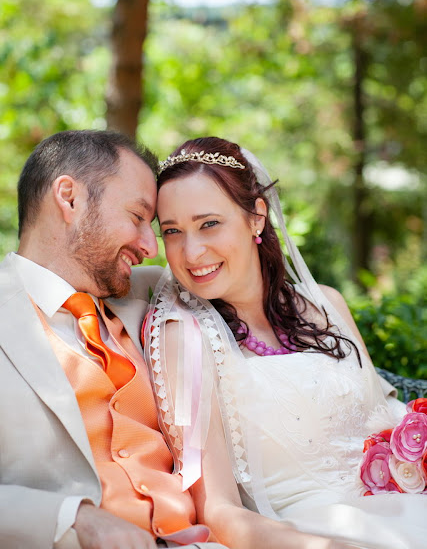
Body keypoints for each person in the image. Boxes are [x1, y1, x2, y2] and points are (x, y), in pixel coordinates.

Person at [145, 136, 427, 549]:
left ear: (256, 217)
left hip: (403, 505)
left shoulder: (327, 303)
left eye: (209, 223)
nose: (192, 251)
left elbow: (387, 416)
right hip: (311, 535)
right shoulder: (182, 339)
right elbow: (218, 510)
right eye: (172, 231)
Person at [0, 130, 230, 549]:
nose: (150, 246)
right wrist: (76, 520)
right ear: (69, 198)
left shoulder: (150, 293)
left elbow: (240, 271)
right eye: (138, 217)